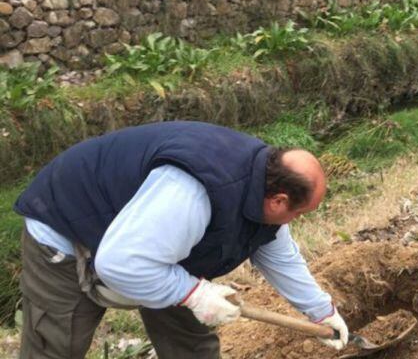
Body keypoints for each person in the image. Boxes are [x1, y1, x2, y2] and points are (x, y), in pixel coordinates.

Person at [14, 121, 349, 358]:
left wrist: (321, 311)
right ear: (278, 200)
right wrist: (194, 293)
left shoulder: (263, 188)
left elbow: (280, 255)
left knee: (193, 344)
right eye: (300, 213)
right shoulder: (193, 194)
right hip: (72, 228)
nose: (296, 220)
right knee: (57, 345)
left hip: (158, 244)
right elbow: (121, 263)